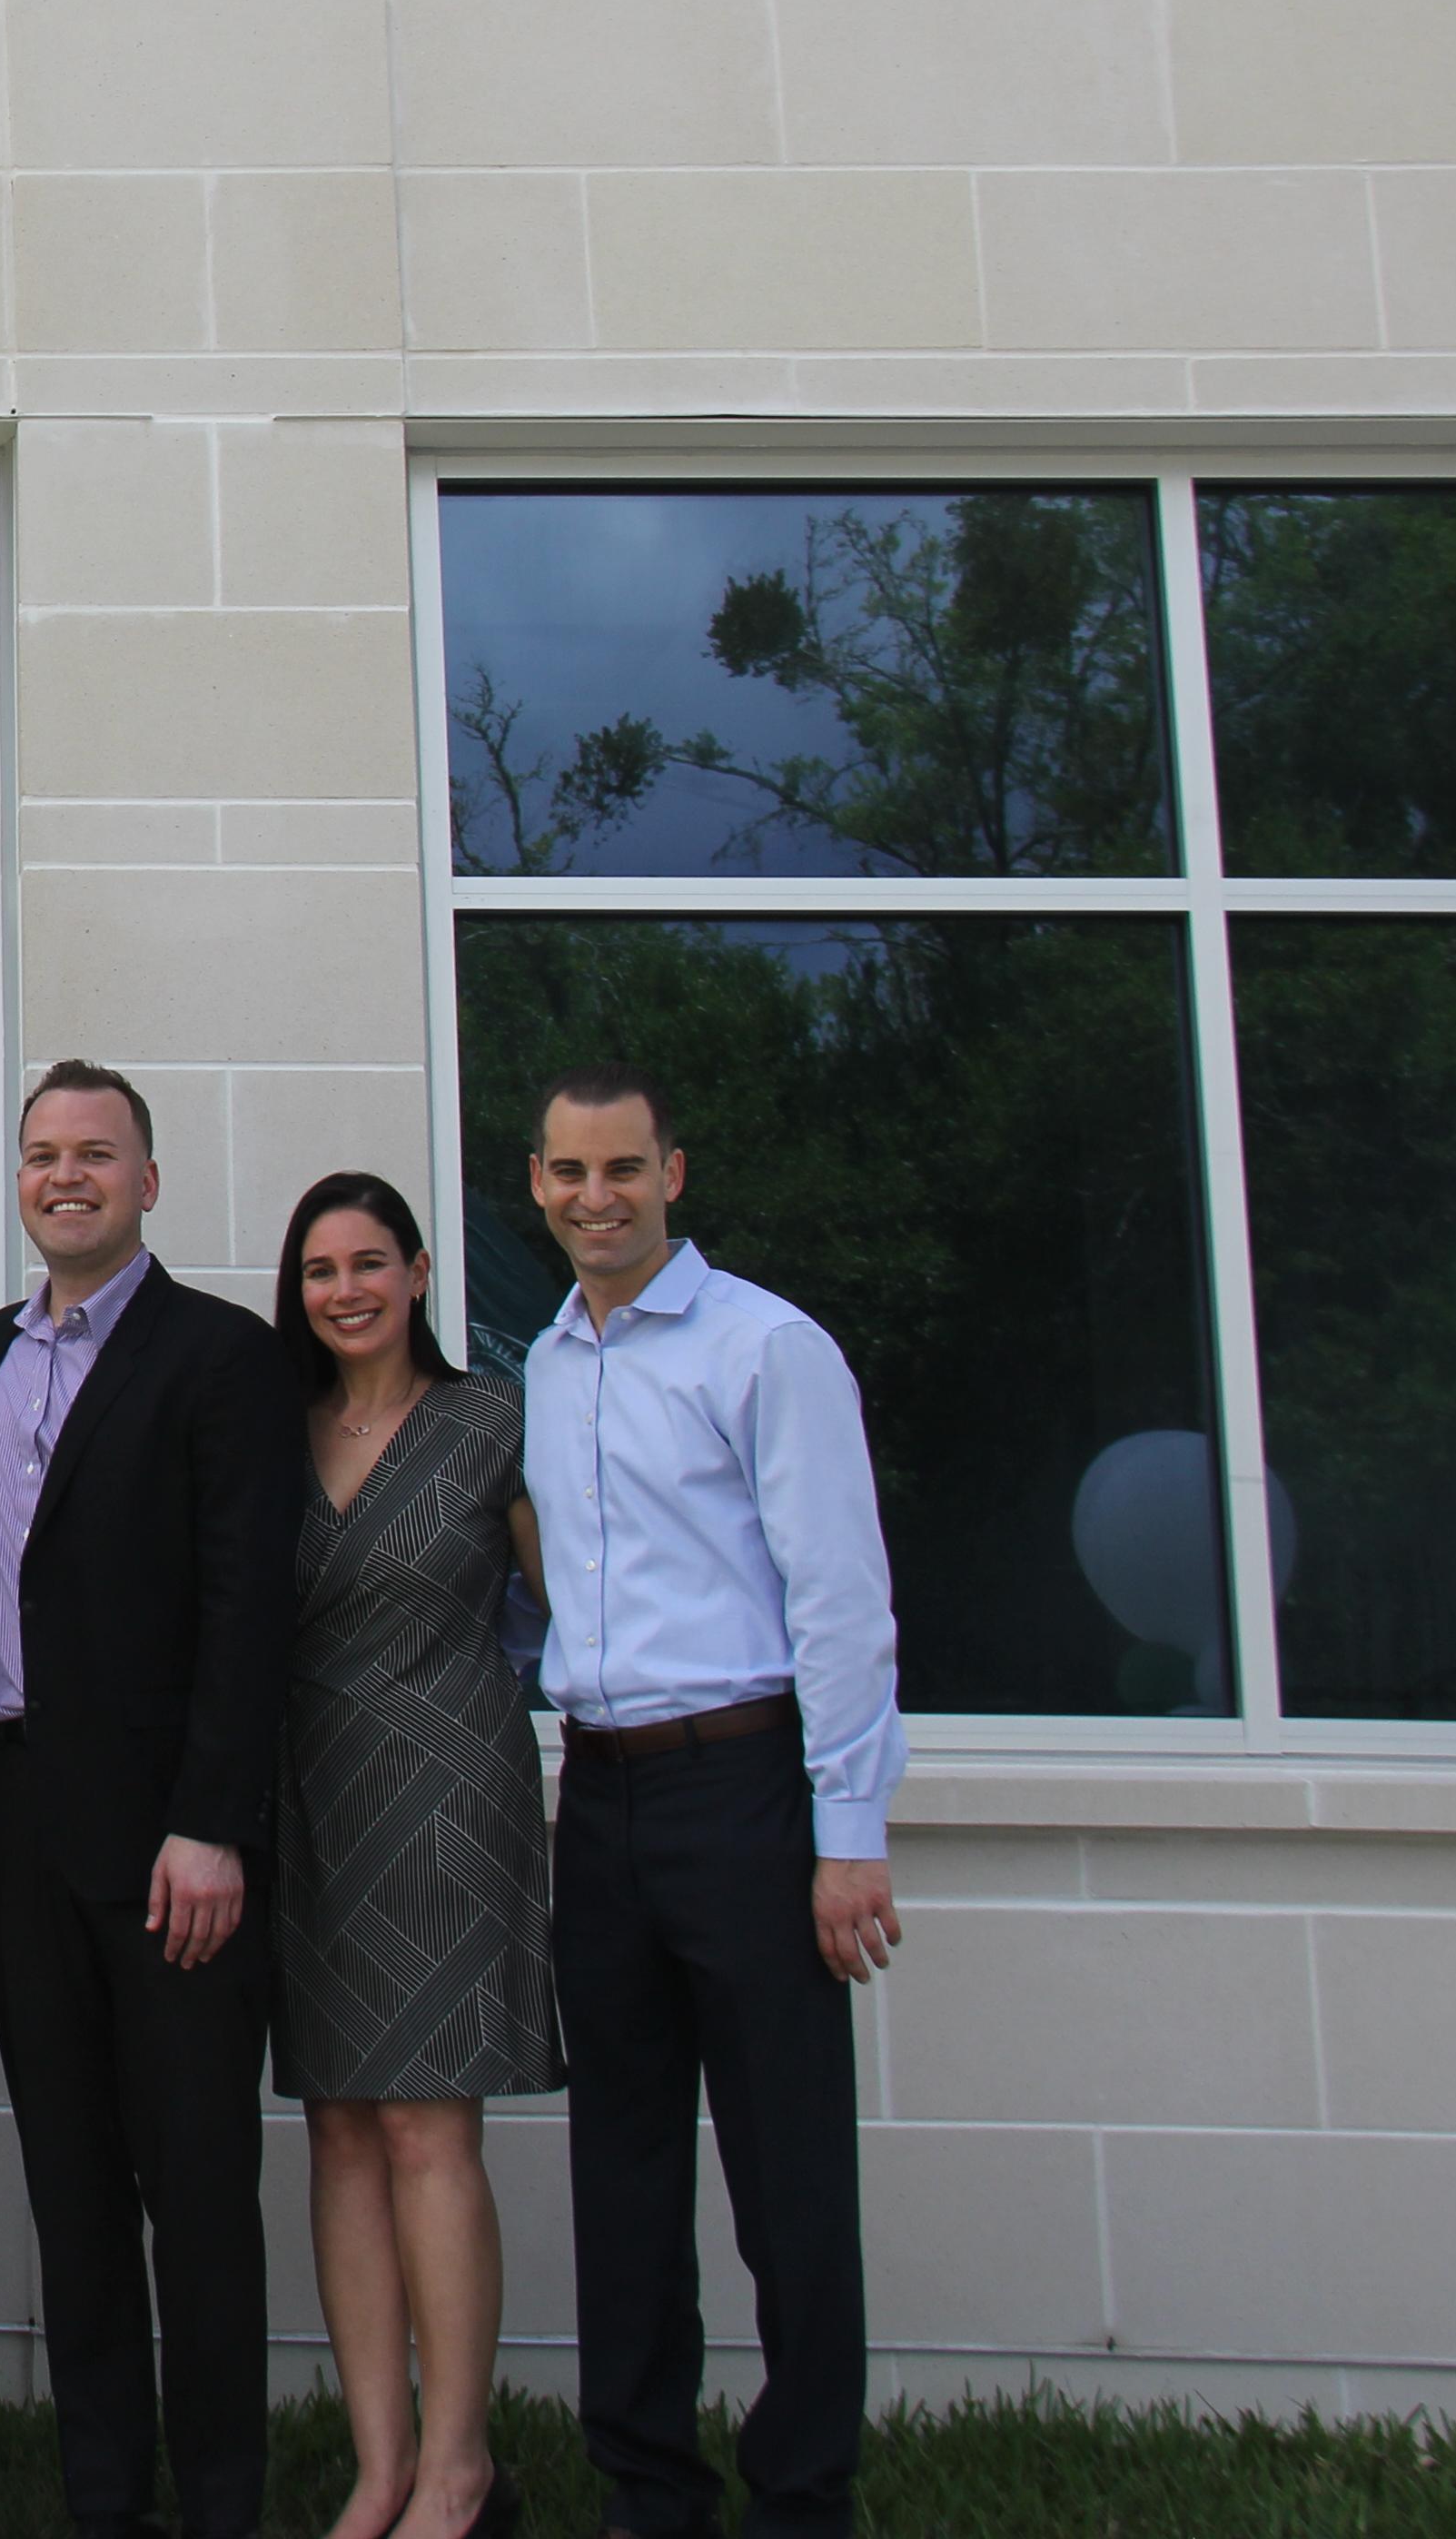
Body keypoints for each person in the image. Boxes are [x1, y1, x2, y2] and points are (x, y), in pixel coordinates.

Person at [517, 1069, 903, 2539]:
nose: (591, 1196)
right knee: (619, 2170)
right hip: (598, 1798)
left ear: (670, 1173)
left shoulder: (763, 1347)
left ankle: (802, 2492)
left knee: (786, 2172)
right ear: (536, 1181)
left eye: (619, 1167)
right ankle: (644, 2487)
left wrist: (845, 1834)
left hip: (743, 1792)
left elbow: (841, 1602)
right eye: (565, 1171)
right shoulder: (544, 1361)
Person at [0, 1060, 294, 2539]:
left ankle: (219, 2501)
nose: (64, 1175)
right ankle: (107, 2499)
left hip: (170, 1841)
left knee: (197, 2189)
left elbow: (244, 1607)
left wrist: (210, 1819)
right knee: (70, 2182)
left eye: (95, 1153)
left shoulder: (219, 1357)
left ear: (147, 1181)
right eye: (39, 1154)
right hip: (8, 1822)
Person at [268, 1174, 557, 2539]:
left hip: (452, 1794)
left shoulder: (494, 1421)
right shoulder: (274, 1430)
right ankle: (377, 2468)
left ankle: (459, 2468)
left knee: (428, 2126)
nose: (345, 1291)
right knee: (336, 2126)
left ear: (420, 1271)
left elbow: (584, 1604)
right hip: (310, 1798)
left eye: (370, 1263)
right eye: (321, 1270)